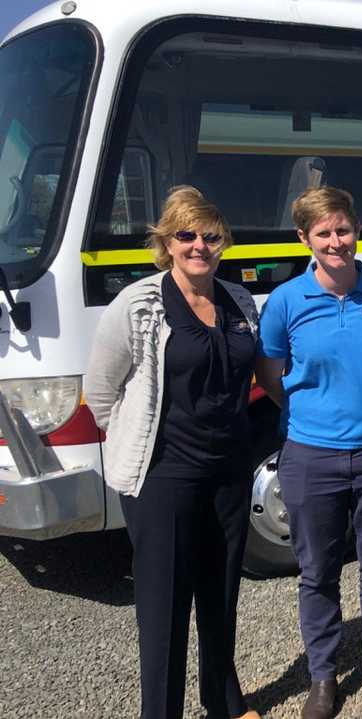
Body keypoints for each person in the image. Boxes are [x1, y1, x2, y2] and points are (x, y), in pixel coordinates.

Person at [255, 186, 362, 719]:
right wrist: (314, 414)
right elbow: (269, 376)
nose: (337, 242)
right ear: (304, 238)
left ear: (357, 230)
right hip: (310, 457)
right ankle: (323, 677)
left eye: (344, 229)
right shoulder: (287, 301)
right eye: (324, 232)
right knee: (318, 572)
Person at [84, 186, 261, 719]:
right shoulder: (138, 302)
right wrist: (132, 440)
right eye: (186, 235)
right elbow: (100, 391)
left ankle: (223, 702)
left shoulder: (239, 300)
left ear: (223, 242)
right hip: (163, 478)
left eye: (209, 236)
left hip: (228, 471)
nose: (198, 245)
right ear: (167, 242)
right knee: (164, 608)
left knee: (219, 594)